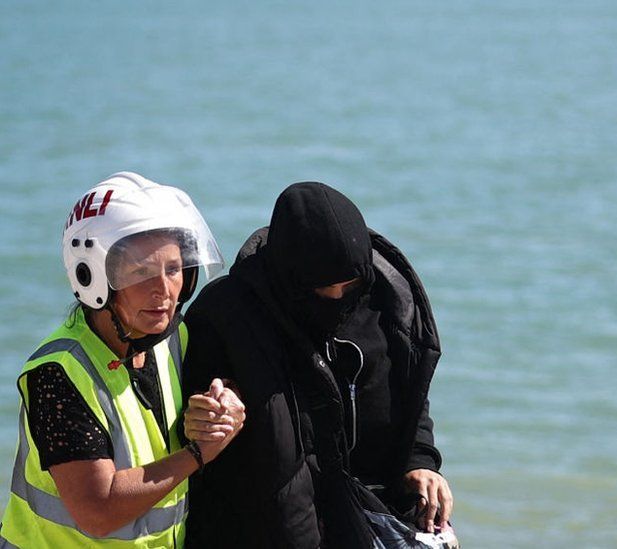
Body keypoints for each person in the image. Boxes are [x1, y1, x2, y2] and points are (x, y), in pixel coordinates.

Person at [182, 182, 456, 548]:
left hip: (374, 515)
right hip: (262, 529)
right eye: (320, 289)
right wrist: (209, 413)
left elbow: (410, 392)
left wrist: (419, 460)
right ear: (287, 273)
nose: (337, 298)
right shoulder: (223, 317)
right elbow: (192, 416)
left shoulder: (384, 301)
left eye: (349, 285)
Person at [0, 172, 245, 548]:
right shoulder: (57, 375)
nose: (163, 291)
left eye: (174, 269)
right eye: (141, 272)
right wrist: (197, 453)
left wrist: (223, 402)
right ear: (92, 277)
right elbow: (98, 511)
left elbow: (213, 393)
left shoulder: (170, 336)